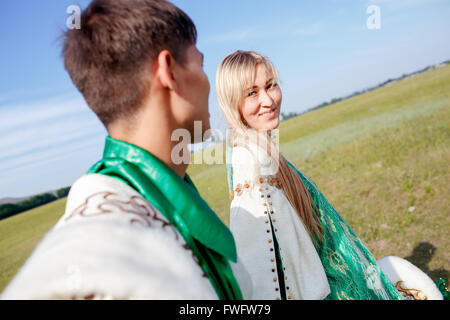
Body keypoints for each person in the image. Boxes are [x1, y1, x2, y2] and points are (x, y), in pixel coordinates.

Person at [1, 0, 249, 300]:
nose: (208, 81)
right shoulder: (97, 249)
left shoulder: (150, 192)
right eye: (201, 63)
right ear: (169, 70)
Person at [215, 50, 446, 300]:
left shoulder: (261, 151)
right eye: (252, 93)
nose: (268, 100)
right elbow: (265, 274)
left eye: (271, 85)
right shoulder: (251, 162)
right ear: (232, 103)